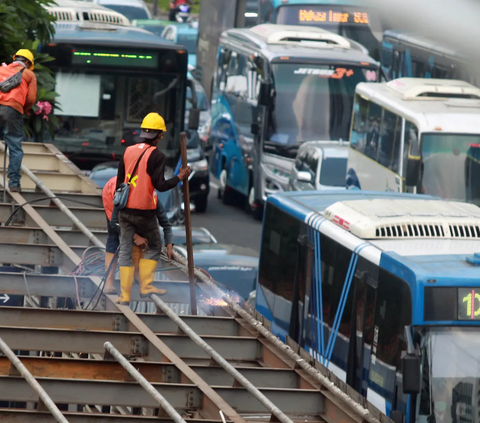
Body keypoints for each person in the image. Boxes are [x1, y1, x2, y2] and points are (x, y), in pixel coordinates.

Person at [115, 112, 190, 305]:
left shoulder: (128, 150)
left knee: (125, 249)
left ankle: (124, 295)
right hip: (144, 211)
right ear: (158, 136)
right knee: (156, 245)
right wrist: (180, 177)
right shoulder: (157, 156)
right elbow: (161, 185)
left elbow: (119, 183)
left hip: (125, 209)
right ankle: (145, 285)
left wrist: (119, 212)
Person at [102, 176, 175, 295]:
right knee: (114, 237)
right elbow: (115, 224)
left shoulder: (153, 199)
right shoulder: (121, 196)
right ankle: (108, 282)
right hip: (113, 197)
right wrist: (135, 237)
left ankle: (136, 274)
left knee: (142, 234)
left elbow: (166, 224)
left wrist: (169, 243)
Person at [0, 49, 37, 192]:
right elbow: (32, 98)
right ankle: (14, 183)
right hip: (13, 109)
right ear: (27, 62)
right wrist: (25, 109)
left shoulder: (1, 69)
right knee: (14, 145)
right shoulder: (29, 74)